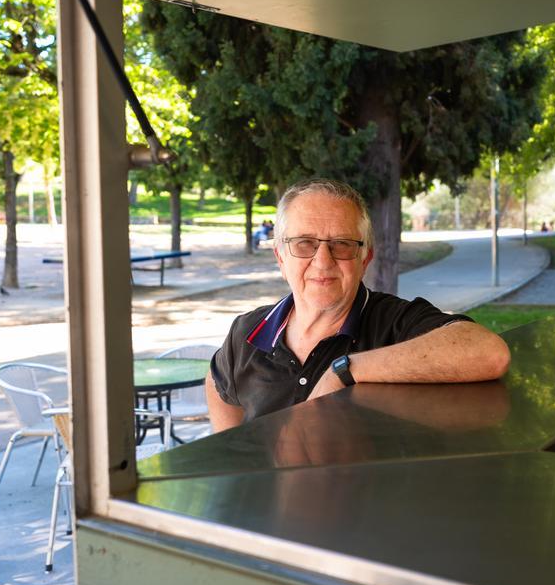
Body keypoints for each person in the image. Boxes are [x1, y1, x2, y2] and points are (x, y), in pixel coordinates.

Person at [206, 179, 511, 432]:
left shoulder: (393, 324)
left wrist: (346, 369)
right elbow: (219, 385)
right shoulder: (247, 332)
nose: (322, 262)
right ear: (280, 258)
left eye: (342, 244)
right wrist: (233, 461)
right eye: (304, 244)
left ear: (364, 259)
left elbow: (489, 352)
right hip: (266, 502)